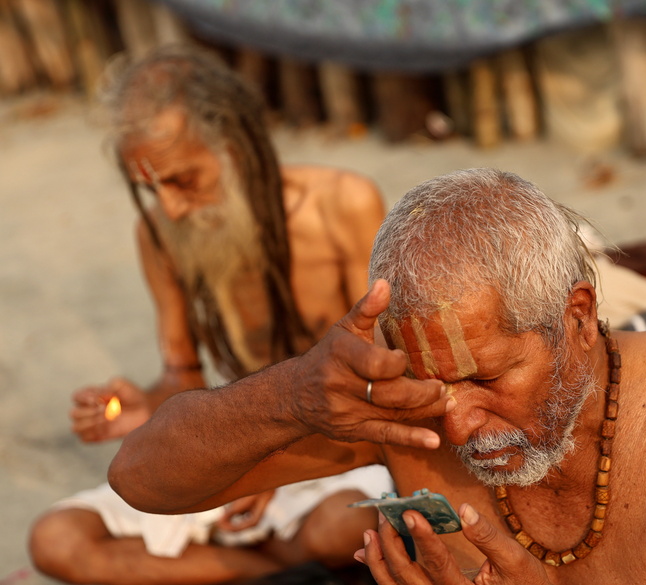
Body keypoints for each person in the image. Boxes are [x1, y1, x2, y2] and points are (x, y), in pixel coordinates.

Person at [108, 168, 646, 584]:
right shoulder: (409, 416)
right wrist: (290, 393)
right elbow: (143, 478)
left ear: (577, 314)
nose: (453, 422)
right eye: (429, 381)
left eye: (487, 377)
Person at [28, 45, 393, 584]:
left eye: (181, 180)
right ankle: (273, 573)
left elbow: (390, 384)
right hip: (239, 447)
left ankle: (230, 572)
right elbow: (185, 379)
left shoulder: (343, 204)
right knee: (56, 538)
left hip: (342, 455)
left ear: (234, 146)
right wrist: (144, 405)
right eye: (150, 188)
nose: (170, 208)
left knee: (343, 530)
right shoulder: (159, 233)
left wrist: (284, 460)